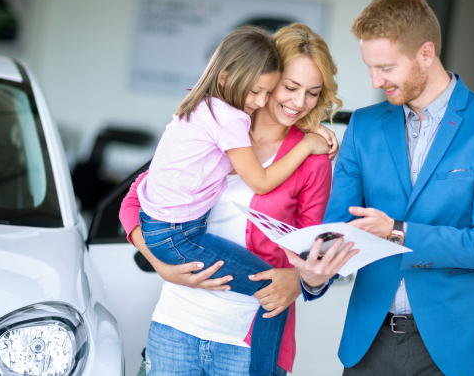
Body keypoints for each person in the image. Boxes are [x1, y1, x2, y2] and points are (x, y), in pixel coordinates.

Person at [283, 0, 474, 376]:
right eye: (370, 67)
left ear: (425, 54)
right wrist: (314, 275)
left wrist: (397, 231)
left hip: (452, 348)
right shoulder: (363, 125)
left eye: (386, 67)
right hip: (369, 342)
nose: (376, 80)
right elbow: (335, 228)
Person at [120, 23, 342, 376]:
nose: (299, 103)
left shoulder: (312, 160)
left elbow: (311, 250)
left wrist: (299, 282)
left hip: (245, 341)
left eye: (313, 93)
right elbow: (135, 200)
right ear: (263, 77)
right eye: (289, 87)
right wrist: (159, 262)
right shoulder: (212, 127)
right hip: (175, 327)